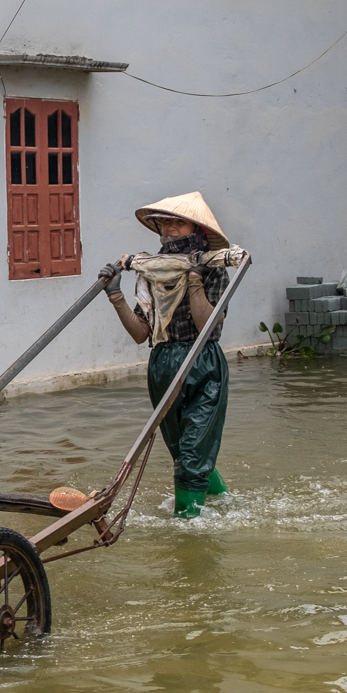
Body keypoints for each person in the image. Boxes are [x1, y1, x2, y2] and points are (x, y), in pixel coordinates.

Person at [102, 192, 242, 518]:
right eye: (165, 223)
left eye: (178, 222)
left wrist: (194, 279)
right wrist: (115, 295)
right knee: (183, 451)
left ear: (197, 230)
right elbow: (141, 333)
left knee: (193, 452)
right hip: (163, 364)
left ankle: (187, 525)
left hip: (202, 363)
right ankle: (226, 503)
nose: (170, 229)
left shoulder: (213, 269)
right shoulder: (154, 274)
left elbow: (207, 326)